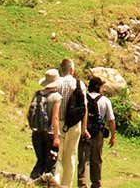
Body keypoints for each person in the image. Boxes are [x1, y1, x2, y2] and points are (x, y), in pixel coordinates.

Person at [54, 58, 91, 187]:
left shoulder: (56, 83)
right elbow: (84, 108)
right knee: (70, 157)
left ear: (62, 70)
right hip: (74, 125)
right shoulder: (79, 84)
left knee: (57, 157)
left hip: (58, 124)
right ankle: (66, 185)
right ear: (71, 69)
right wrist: (84, 128)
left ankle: (55, 183)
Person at [76, 76, 116, 188]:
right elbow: (111, 120)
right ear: (98, 87)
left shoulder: (83, 98)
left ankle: (82, 183)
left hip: (83, 131)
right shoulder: (105, 100)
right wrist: (113, 136)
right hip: (98, 133)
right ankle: (96, 183)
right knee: (96, 159)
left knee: (83, 159)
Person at [27, 68, 62, 182]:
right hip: (50, 134)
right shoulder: (56, 97)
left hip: (37, 133)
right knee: (51, 164)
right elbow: (55, 118)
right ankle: (46, 184)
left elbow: (29, 113)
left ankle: (31, 181)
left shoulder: (37, 95)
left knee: (40, 161)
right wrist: (56, 137)